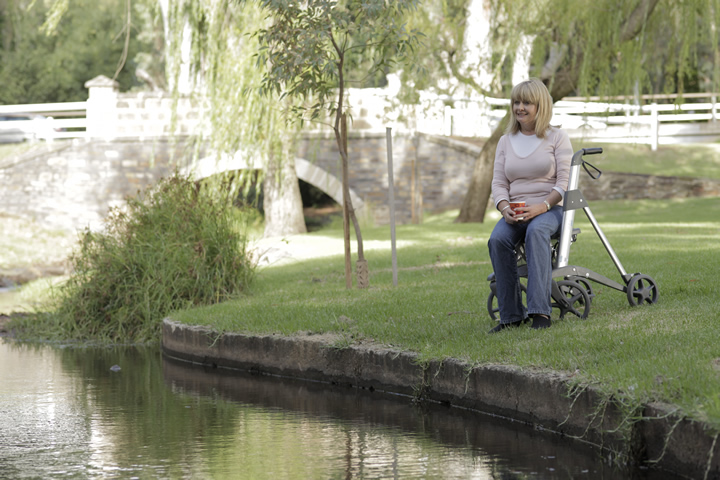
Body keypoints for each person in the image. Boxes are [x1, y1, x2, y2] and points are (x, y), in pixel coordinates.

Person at [487, 78, 573, 333]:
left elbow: (565, 182)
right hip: (516, 211)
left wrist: (543, 206)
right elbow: (499, 182)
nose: (520, 108)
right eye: (516, 102)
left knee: (536, 232)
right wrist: (504, 208)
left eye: (527, 103)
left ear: (541, 105)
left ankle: (540, 313)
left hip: (551, 210)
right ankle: (511, 316)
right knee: (497, 240)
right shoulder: (505, 141)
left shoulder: (557, 137)